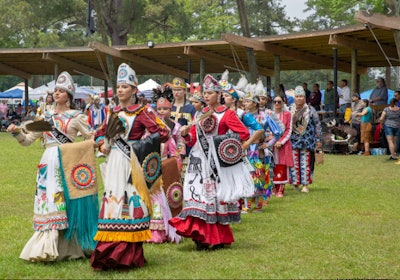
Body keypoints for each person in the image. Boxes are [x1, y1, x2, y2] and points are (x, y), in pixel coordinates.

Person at [7, 71, 96, 262]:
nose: (56, 94)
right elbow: (28, 141)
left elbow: (92, 137)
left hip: (67, 162)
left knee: (66, 201)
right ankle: (47, 246)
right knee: (50, 202)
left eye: (61, 91)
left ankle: (70, 246)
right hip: (48, 163)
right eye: (55, 90)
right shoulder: (45, 118)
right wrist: (16, 133)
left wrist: (91, 147)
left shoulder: (77, 117)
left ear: (69, 96)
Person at [90, 63, 170, 271]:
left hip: (131, 162)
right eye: (118, 87)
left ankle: (127, 253)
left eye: (124, 87)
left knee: (130, 199)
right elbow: (99, 132)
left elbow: (163, 132)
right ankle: (109, 249)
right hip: (114, 160)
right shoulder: (113, 111)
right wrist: (102, 143)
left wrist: (142, 146)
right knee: (113, 200)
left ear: (134, 90)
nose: (120, 90)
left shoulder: (142, 111)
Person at [169, 74, 254, 251]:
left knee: (212, 196)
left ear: (219, 94)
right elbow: (192, 140)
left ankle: (214, 237)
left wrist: (225, 146)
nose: (206, 96)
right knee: (196, 195)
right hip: (197, 160)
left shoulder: (227, 114)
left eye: (210, 92)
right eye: (204, 93)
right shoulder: (200, 114)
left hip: (215, 161)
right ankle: (200, 236)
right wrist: (185, 134)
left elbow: (243, 134)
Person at [289, 86, 322, 193]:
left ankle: (305, 185)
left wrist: (318, 139)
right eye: (297, 96)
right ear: (294, 97)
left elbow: (317, 124)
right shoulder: (290, 110)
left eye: (301, 96)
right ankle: (295, 184)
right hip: (293, 141)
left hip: (307, 140)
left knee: (306, 163)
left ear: (304, 97)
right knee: (294, 163)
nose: (299, 98)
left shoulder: (310, 110)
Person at [271, 95, 293, 198]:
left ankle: (280, 189)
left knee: (282, 165)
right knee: (272, 165)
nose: (277, 104)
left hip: (283, 145)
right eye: (275, 101)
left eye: (279, 102)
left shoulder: (287, 115)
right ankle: (273, 188)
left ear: (283, 103)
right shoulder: (269, 114)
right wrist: (271, 140)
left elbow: (289, 130)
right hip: (271, 144)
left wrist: (281, 141)